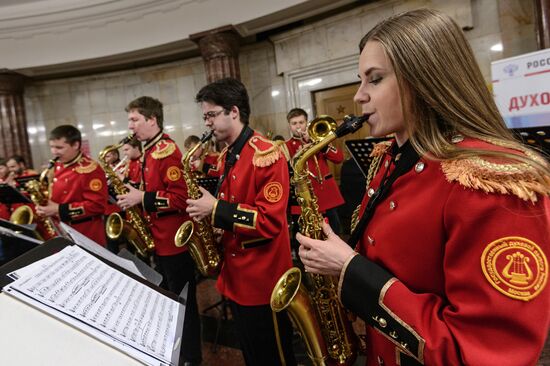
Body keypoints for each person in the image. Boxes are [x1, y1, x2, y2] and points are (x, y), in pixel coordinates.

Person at [296, 9, 550, 366]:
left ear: (424, 78)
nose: (359, 96)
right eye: (360, 79)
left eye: (375, 79)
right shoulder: (391, 157)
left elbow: (483, 352)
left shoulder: (493, 181)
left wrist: (350, 269)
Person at [187, 78, 296, 366]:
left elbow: (270, 222)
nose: (207, 123)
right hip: (236, 276)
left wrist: (216, 209)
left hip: (263, 278)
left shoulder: (267, 154)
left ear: (233, 111)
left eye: (211, 114)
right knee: (252, 353)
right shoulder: (228, 155)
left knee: (273, 355)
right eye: (205, 116)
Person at [115, 96, 202, 366]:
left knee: (184, 305)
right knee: (170, 299)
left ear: (152, 120)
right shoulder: (149, 152)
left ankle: (191, 357)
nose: (130, 126)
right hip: (160, 238)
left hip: (175, 241)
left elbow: (179, 199)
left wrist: (142, 199)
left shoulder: (167, 151)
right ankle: (177, 350)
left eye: (134, 119)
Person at [35, 125, 109, 245]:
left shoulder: (90, 168)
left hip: (84, 233)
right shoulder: (56, 166)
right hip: (59, 229)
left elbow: (98, 206)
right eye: (52, 147)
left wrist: (58, 209)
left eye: (59, 147)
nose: (54, 152)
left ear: (76, 145)